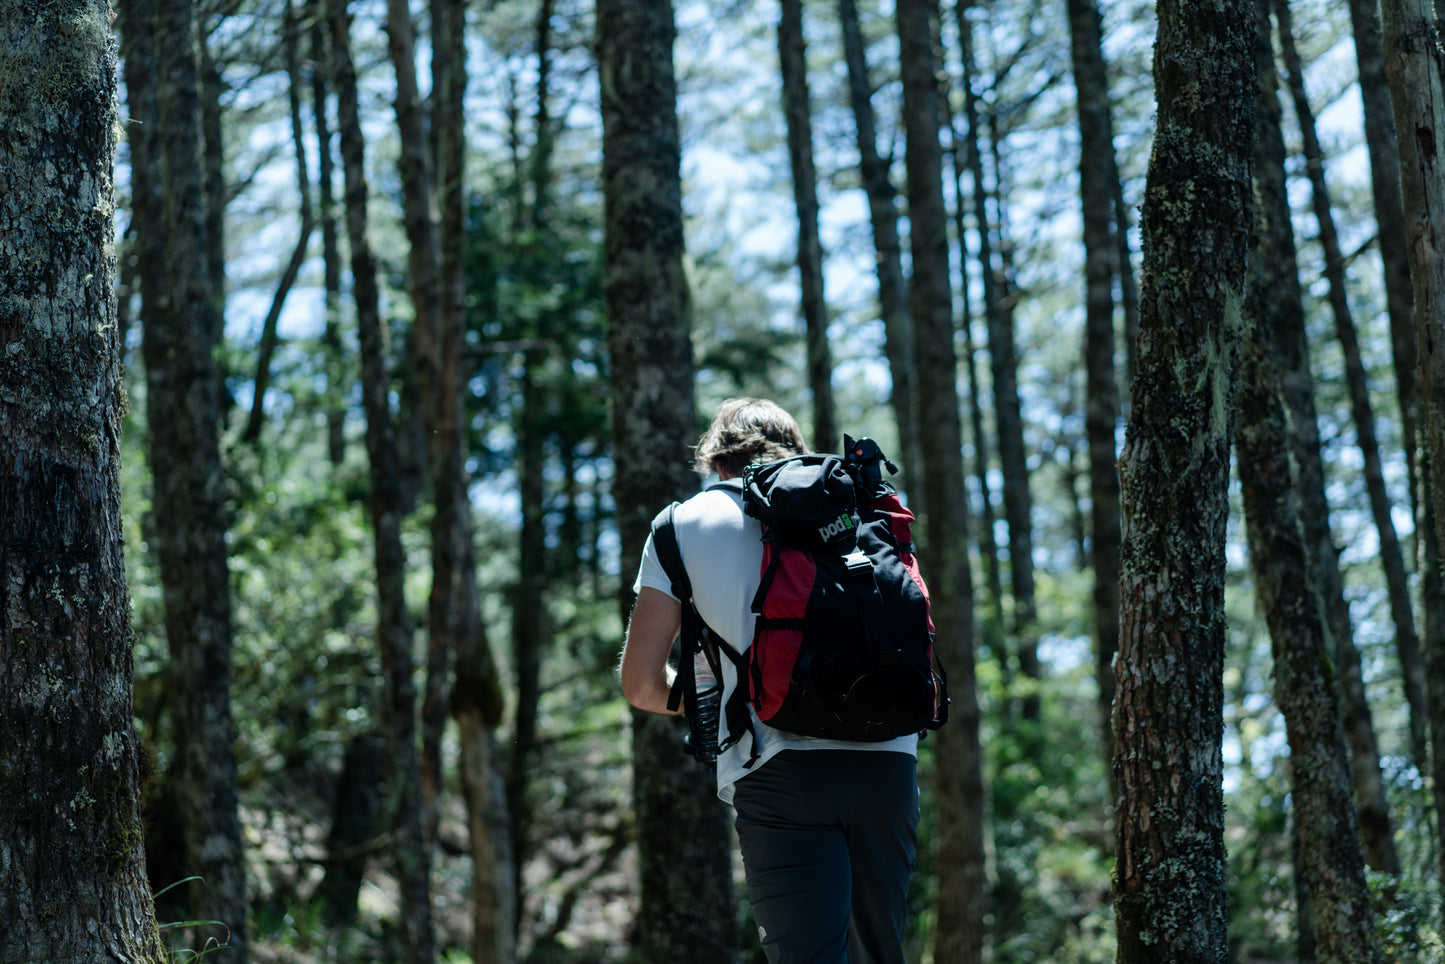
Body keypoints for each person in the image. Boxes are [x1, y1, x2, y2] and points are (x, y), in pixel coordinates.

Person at [619, 397, 920, 964]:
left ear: (714, 458)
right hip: (888, 758)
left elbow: (641, 684)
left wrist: (716, 695)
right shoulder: (863, 505)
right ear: (796, 448)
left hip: (779, 765)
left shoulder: (682, 524)